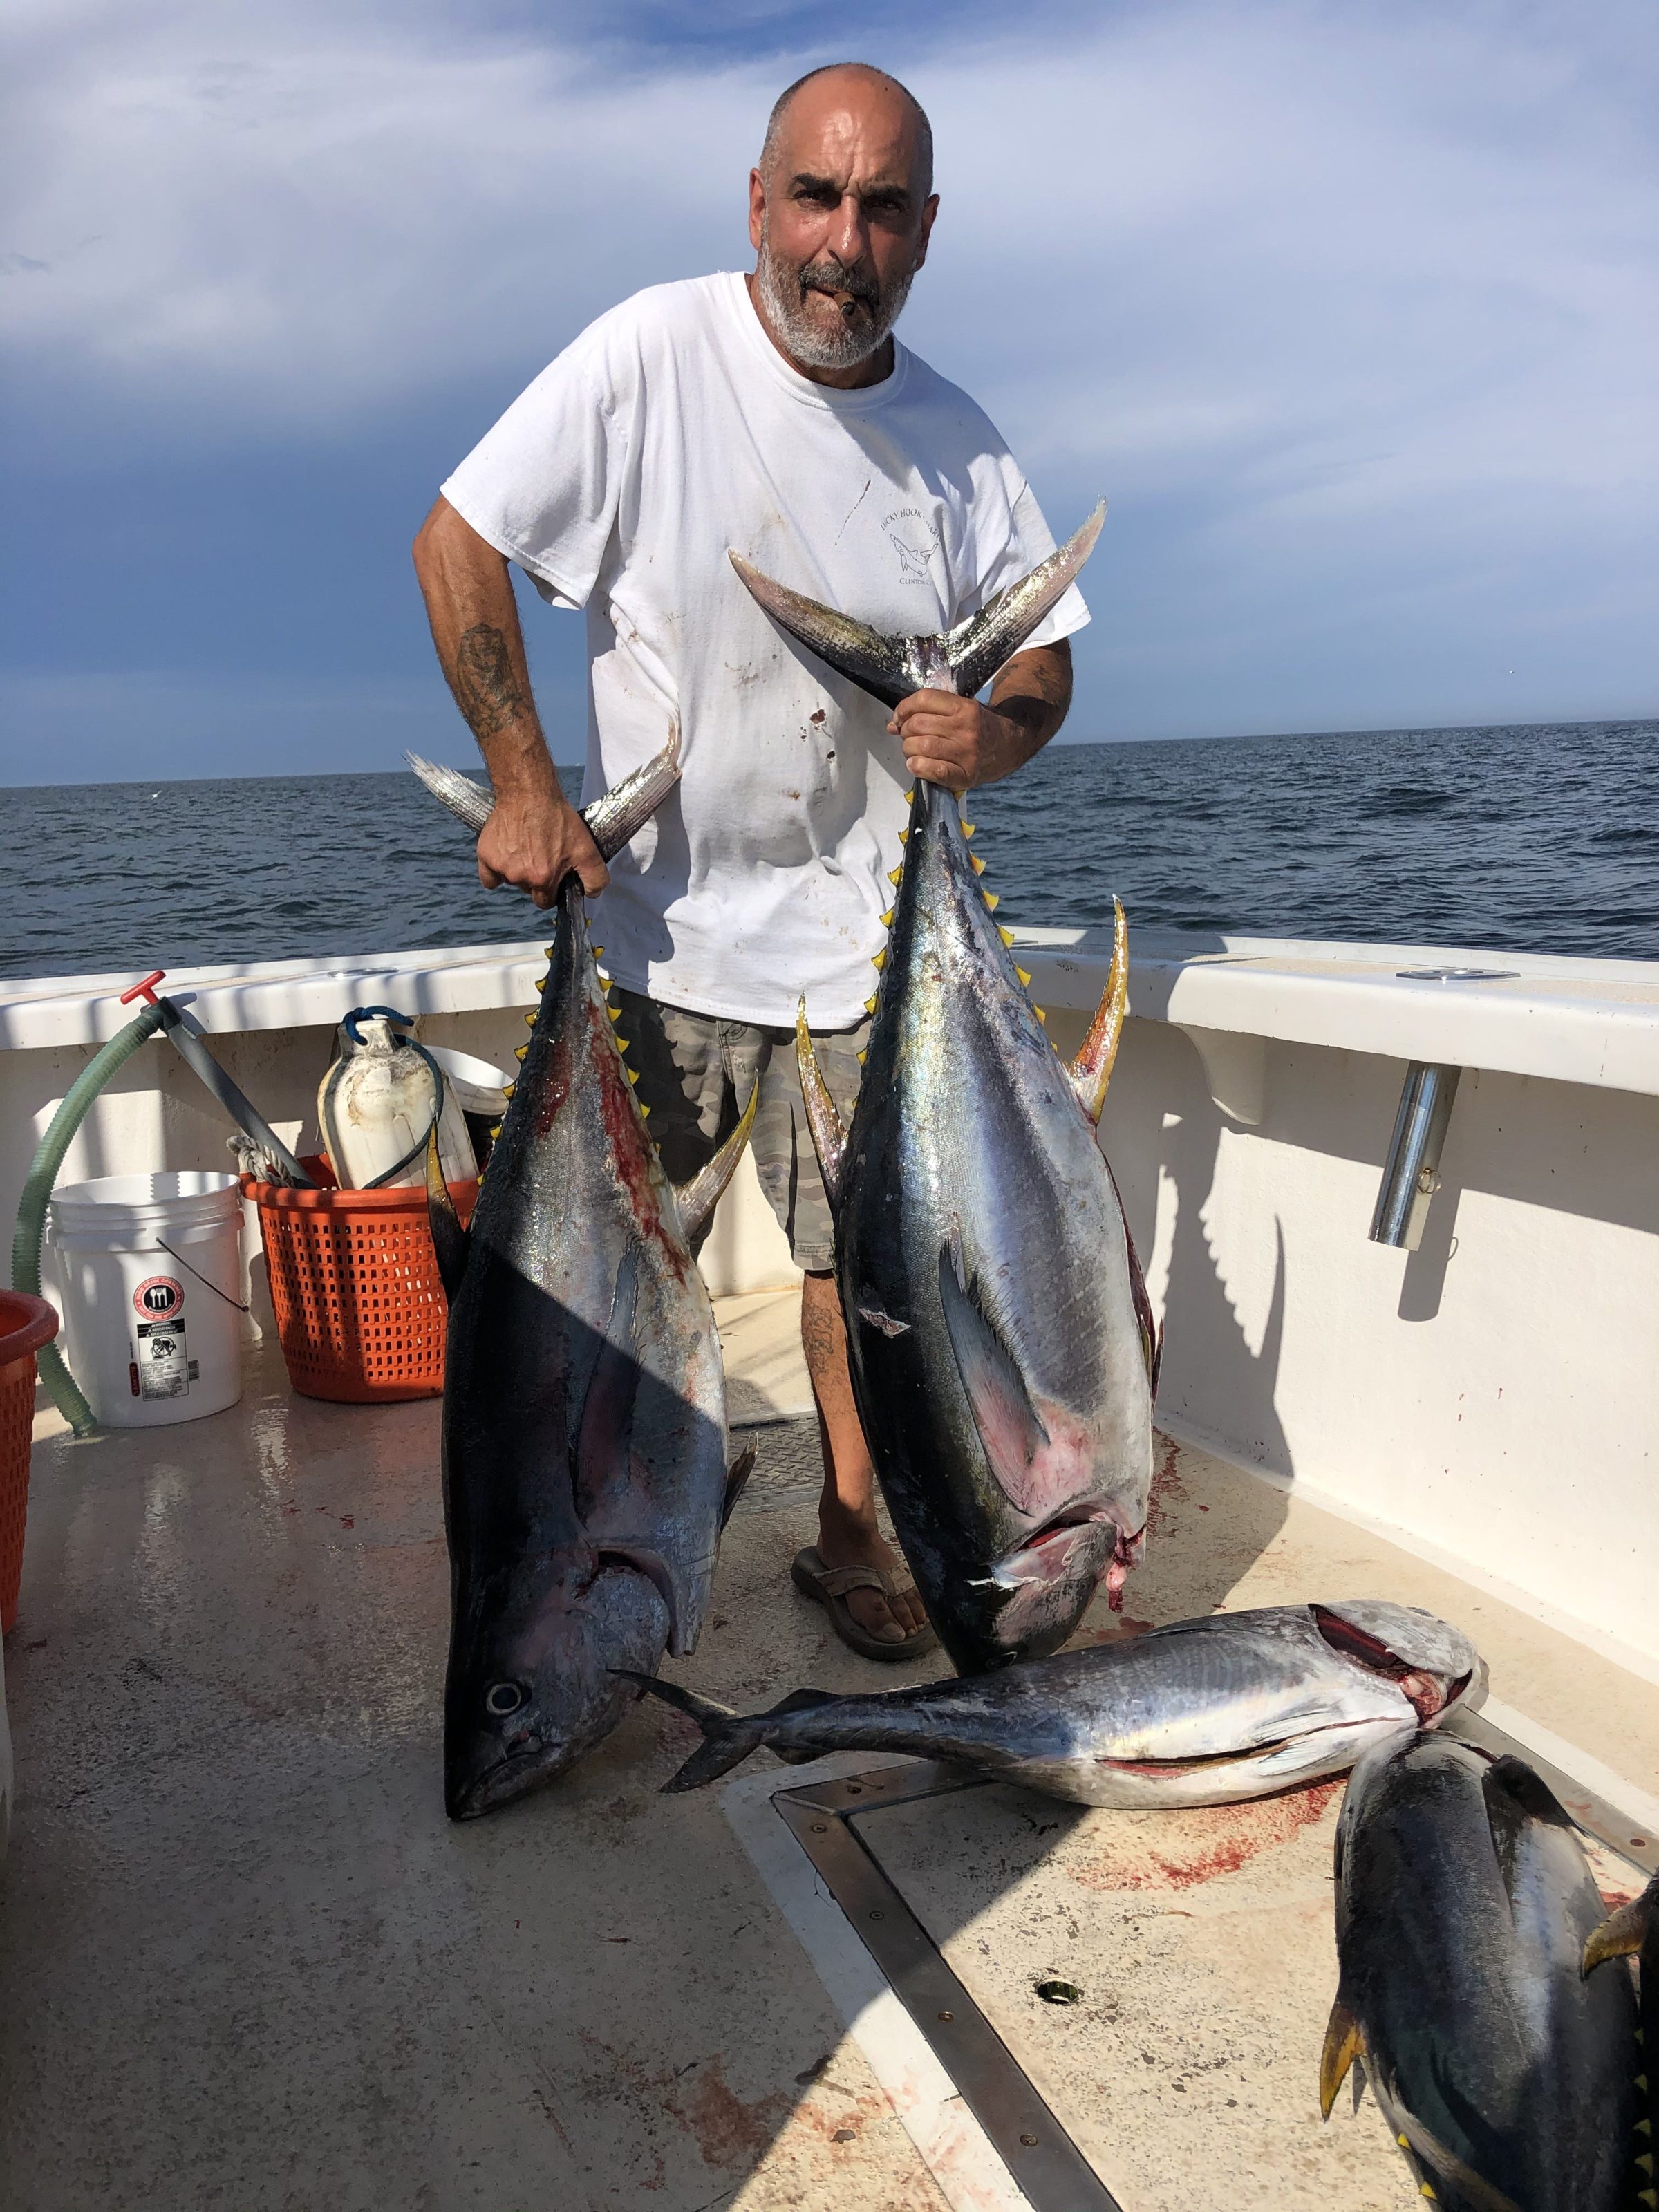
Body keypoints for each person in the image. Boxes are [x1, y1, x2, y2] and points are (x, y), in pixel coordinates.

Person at [412, 62, 1087, 1658]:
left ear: (929, 228)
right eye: (815, 197)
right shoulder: (651, 354)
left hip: (866, 958)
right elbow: (458, 540)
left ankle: (851, 1529)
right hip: (647, 940)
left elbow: (1046, 659)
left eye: (884, 208)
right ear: (758, 202)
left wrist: (993, 737)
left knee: (864, 1278)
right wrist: (526, 781)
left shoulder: (959, 442)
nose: (844, 243)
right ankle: (588, 1544)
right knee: (580, 1297)